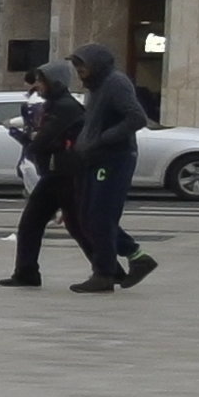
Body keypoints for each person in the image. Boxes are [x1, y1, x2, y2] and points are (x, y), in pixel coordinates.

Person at [65, 41, 157, 289]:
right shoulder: (95, 87)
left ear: (96, 64)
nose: (79, 71)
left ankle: (104, 274)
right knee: (87, 217)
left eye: (82, 65)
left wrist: (103, 139)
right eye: (76, 66)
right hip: (96, 157)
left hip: (114, 157)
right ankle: (136, 258)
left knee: (100, 217)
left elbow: (136, 118)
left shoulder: (115, 83)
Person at [0, 47, 82, 288]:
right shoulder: (57, 104)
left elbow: (46, 140)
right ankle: (26, 272)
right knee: (34, 224)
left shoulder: (64, 106)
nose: (38, 86)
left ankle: (110, 269)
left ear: (54, 82)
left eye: (41, 81)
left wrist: (29, 141)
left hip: (62, 174)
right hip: (56, 174)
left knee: (78, 225)